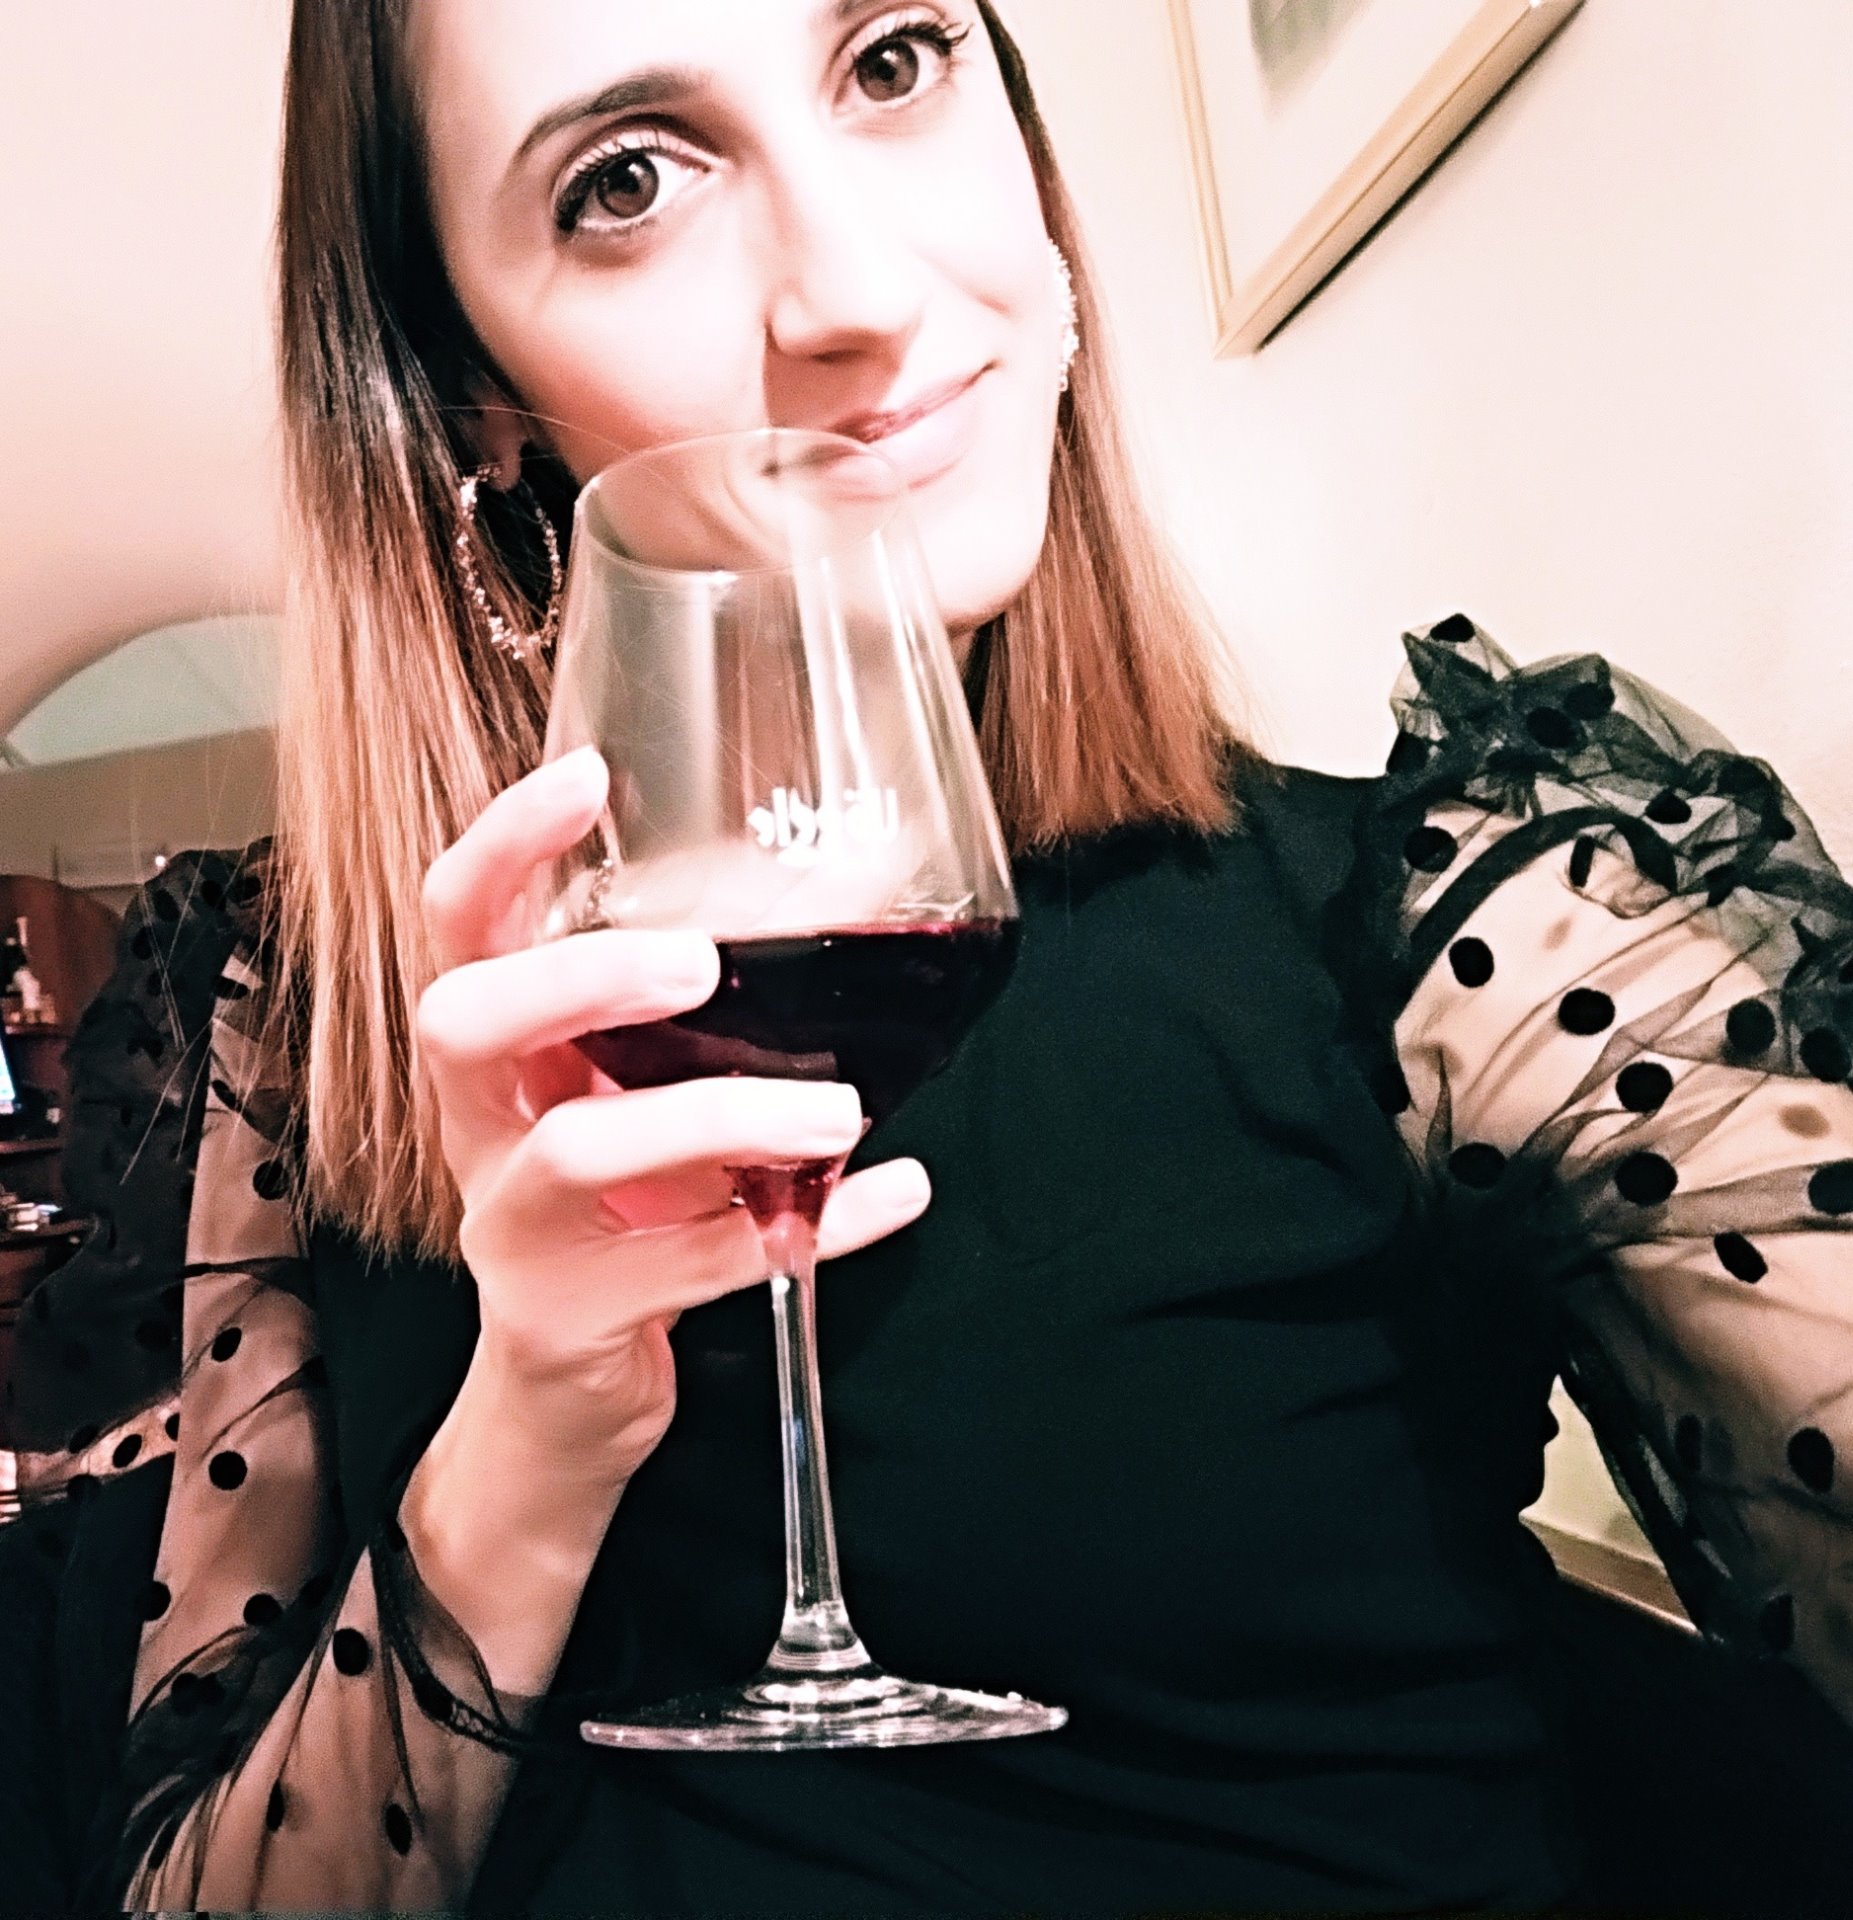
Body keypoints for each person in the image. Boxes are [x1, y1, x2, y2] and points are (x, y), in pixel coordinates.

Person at [3, 0, 1852, 1911]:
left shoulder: (1468, 937)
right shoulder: (287, 1019)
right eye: (625, 184)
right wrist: (534, 1425)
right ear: (476, 397)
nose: (860, 293)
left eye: (892, 61)